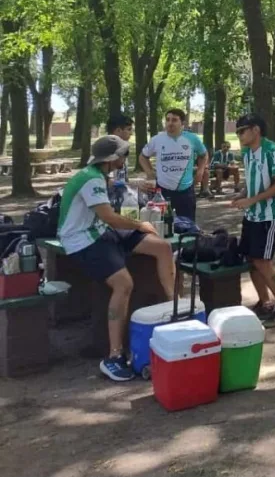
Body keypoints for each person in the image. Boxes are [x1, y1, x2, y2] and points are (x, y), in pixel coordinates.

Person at [58, 135, 176, 382]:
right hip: (83, 239)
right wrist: (140, 224)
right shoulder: (90, 180)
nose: (125, 158)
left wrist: (131, 188)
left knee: (163, 248)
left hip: (101, 231)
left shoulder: (98, 174)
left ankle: (174, 307)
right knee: (124, 284)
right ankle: (114, 356)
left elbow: (112, 194)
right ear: (112, 158)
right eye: (123, 154)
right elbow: (110, 217)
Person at [233, 113, 275, 327]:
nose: (239, 135)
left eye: (242, 130)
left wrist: (252, 199)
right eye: (237, 131)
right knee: (251, 260)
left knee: (263, 262)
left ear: (255, 130)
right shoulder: (248, 152)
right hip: (252, 214)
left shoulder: (273, 151)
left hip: (270, 215)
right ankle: (265, 303)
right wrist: (243, 194)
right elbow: (252, 179)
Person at [139, 109, 208, 220]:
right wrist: (150, 173)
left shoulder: (192, 138)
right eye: (168, 120)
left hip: (186, 190)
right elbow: (143, 157)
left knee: (188, 225)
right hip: (162, 190)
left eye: (174, 120)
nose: (170, 123)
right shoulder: (157, 139)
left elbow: (203, 155)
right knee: (162, 223)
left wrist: (200, 171)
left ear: (183, 123)